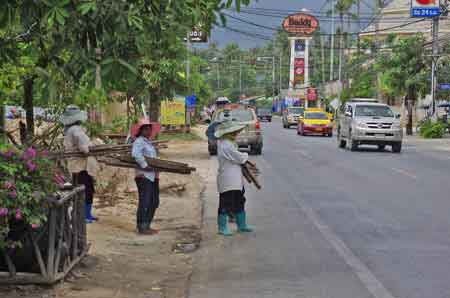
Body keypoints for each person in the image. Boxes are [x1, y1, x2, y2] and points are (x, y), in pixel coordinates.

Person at [214, 121, 254, 236]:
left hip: (235, 179)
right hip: (228, 179)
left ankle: (242, 225)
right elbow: (240, 158)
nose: (237, 133)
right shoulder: (225, 144)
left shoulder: (229, 143)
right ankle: (222, 227)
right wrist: (245, 156)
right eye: (235, 131)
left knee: (239, 201)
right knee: (225, 203)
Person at [61, 105, 99, 224]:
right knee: (85, 190)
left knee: (84, 189)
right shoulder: (76, 129)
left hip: (76, 165)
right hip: (81, 166)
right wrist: (92, 148)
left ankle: (86, 214)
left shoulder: (68, 130)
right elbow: (84, 148)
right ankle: (84, 215)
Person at [131, 120, 160, 235]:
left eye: (150, 129)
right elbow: (136, 154)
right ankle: (141, 226)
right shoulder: (139, 142)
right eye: (146, 129)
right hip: (143, 176)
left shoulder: (149, 143)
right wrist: (145, 166)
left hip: (152, 176)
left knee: (154, 201)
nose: (148, 131)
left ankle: (147, 224)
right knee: (145, 201)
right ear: (141, 130)